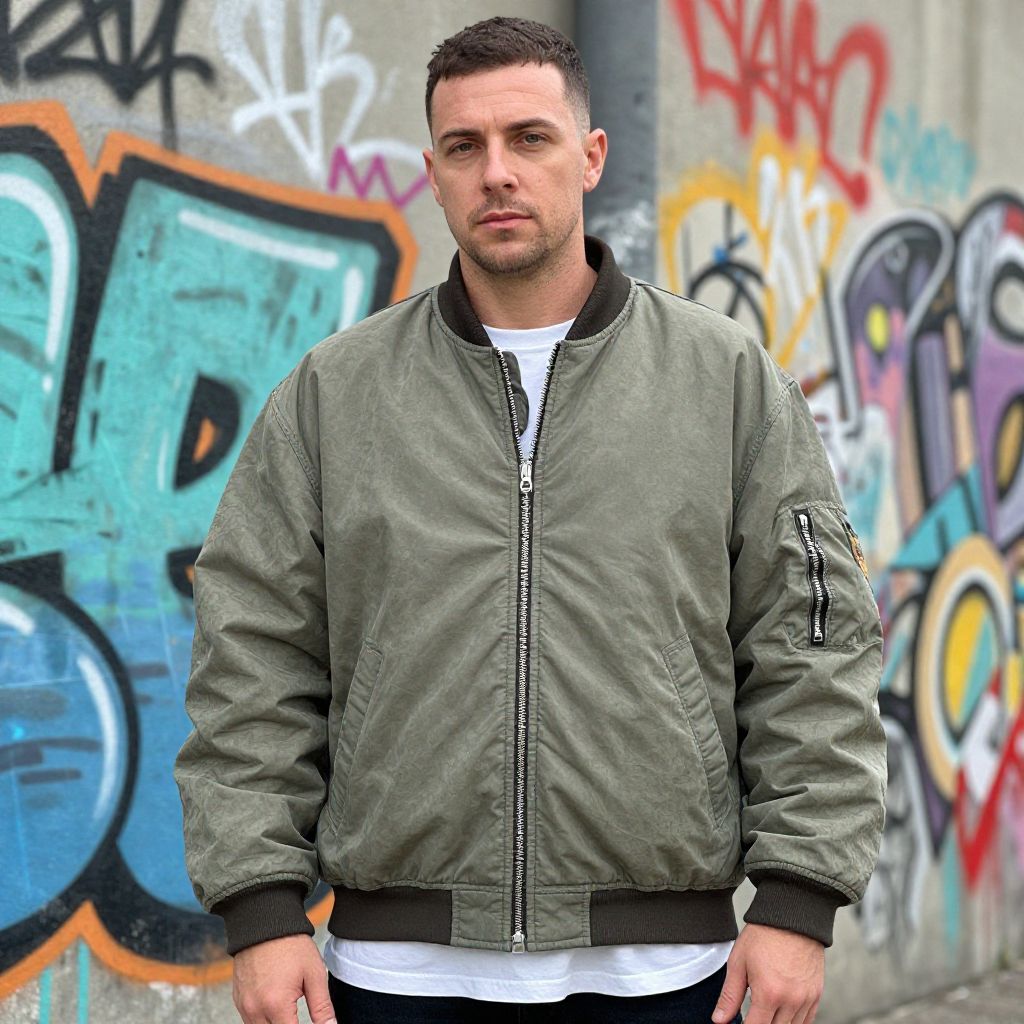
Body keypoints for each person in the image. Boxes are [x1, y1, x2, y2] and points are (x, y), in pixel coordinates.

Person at [174, 15, 887, 1024]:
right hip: (394, 972)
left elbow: (813, 646)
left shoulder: (721, 379)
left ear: (589, 156)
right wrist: (261, 908)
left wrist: (798, 900)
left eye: (529, 139)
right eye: (465, 147)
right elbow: (253, 653)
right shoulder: (339, 393)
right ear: (433, 171)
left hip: (668, 972)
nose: (496, 172)